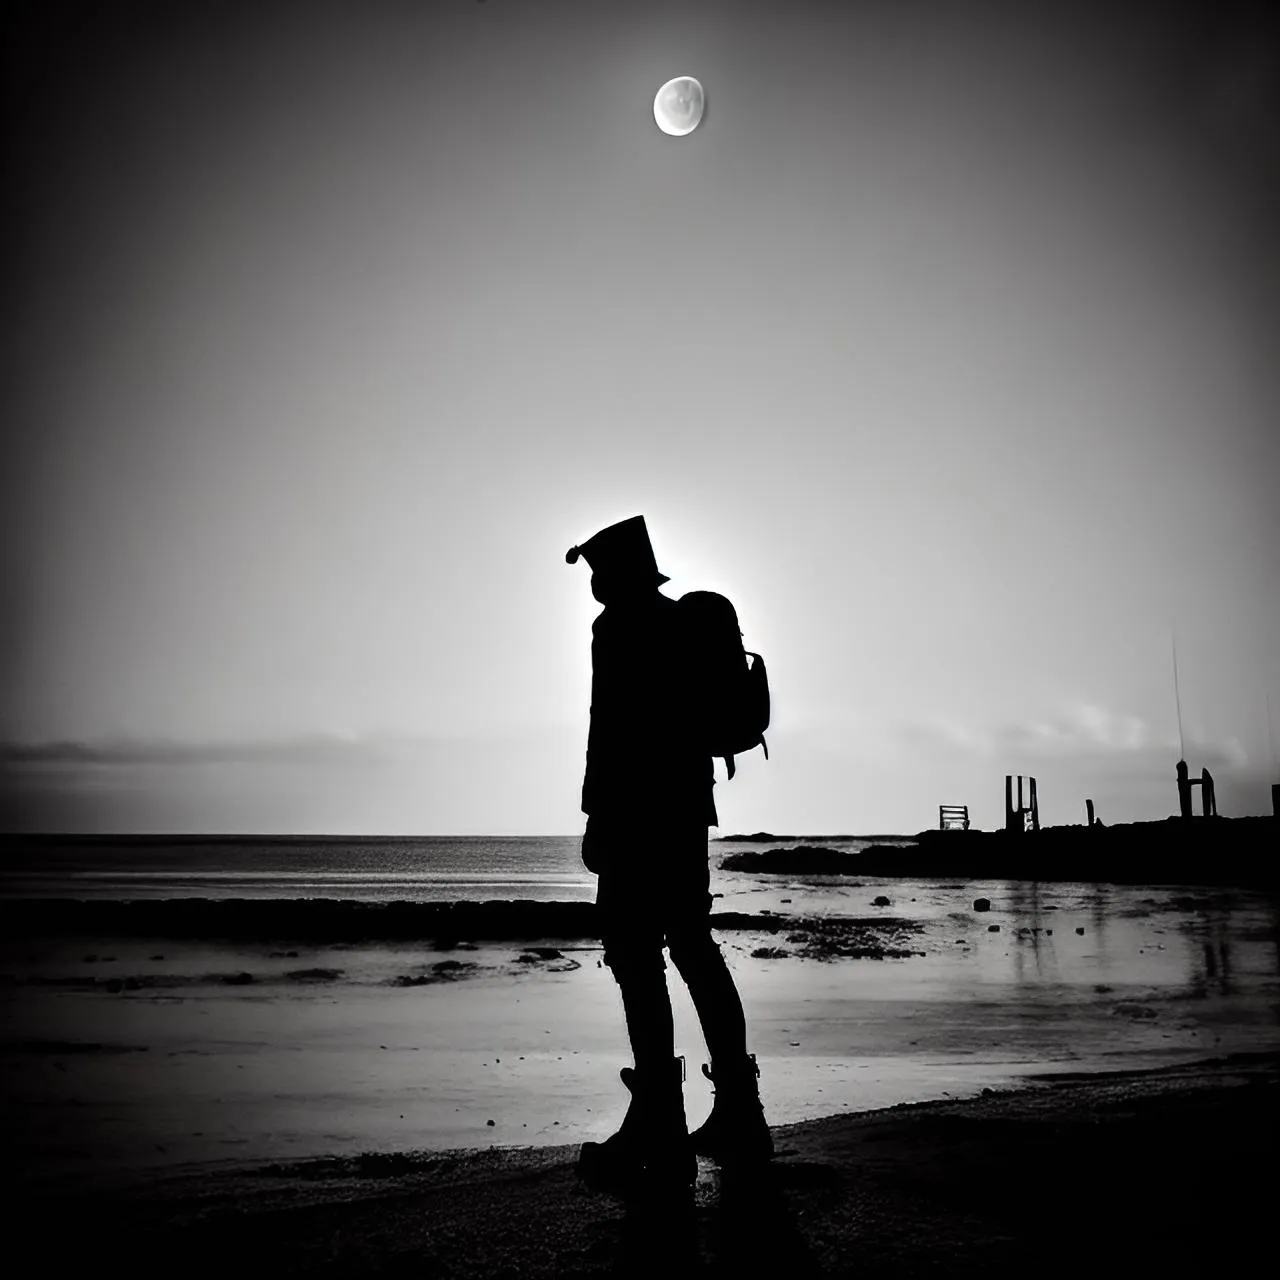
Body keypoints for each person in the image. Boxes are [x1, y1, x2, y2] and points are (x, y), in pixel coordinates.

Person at [565, 514, 772, 1196]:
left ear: (617, 573)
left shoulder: (618, 627)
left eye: (597, 568)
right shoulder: (679, 625)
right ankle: (739, 1112)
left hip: (634, 817)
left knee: (635, 959)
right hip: (686, 814)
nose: (591, 581)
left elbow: (610, 726)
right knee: (693, 950)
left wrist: (596, 815)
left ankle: (659, 1120)